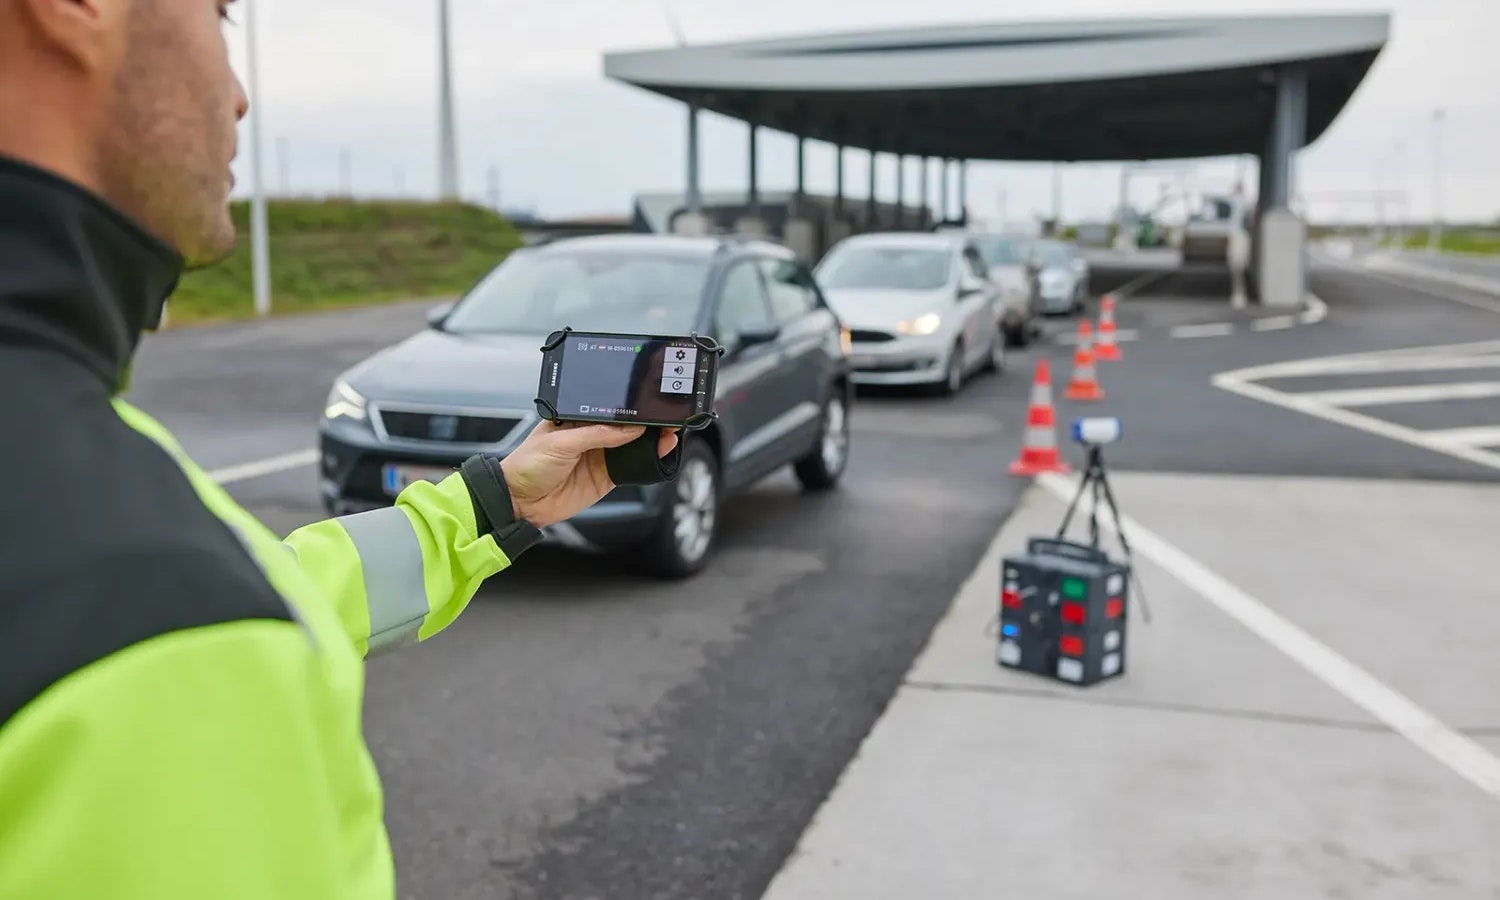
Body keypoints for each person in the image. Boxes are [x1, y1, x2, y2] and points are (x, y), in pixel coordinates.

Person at [0, 1, 675, 897]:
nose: (238, 97)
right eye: (218, 15)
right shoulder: (152, 618)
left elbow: (266, 588)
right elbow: (200, 617)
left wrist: (489, 506)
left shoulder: (72, 502)